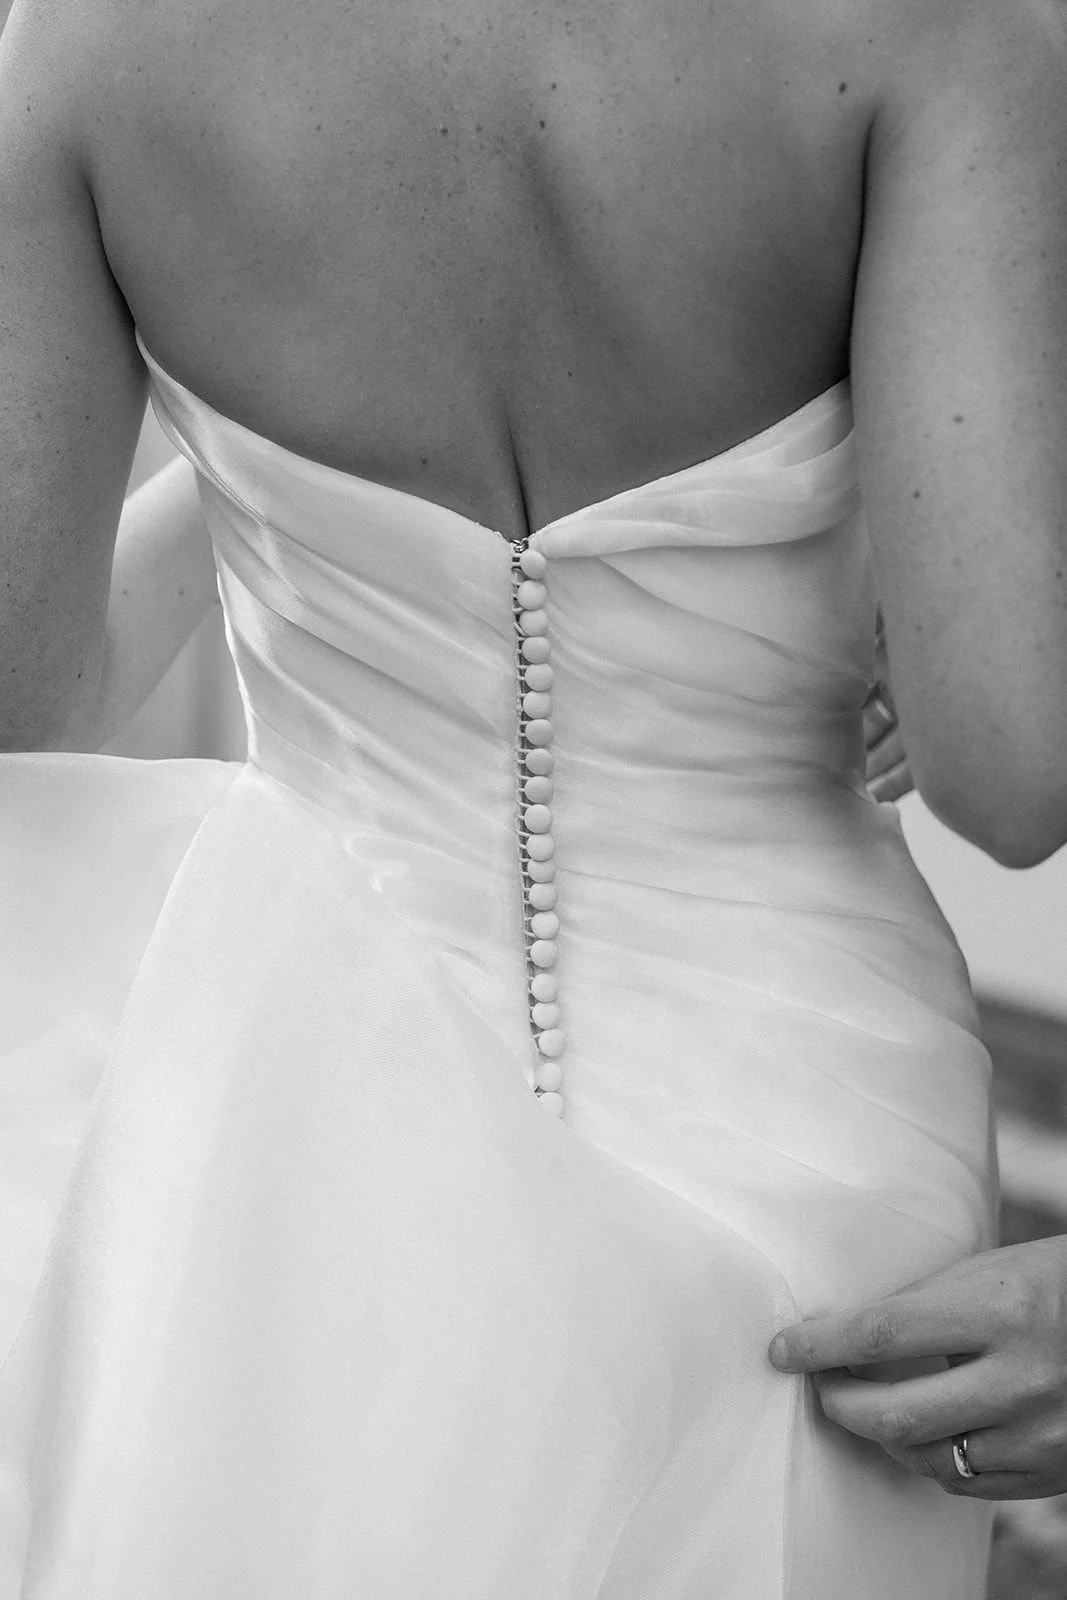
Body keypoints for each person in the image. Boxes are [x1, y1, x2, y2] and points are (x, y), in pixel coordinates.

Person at [0, 0, 1064, 1593]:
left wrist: (272, 519)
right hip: (808, 1131)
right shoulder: (935, 31)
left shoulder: (88, 42)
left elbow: (30, 708)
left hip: (292, 1105)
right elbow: (1009, 768)